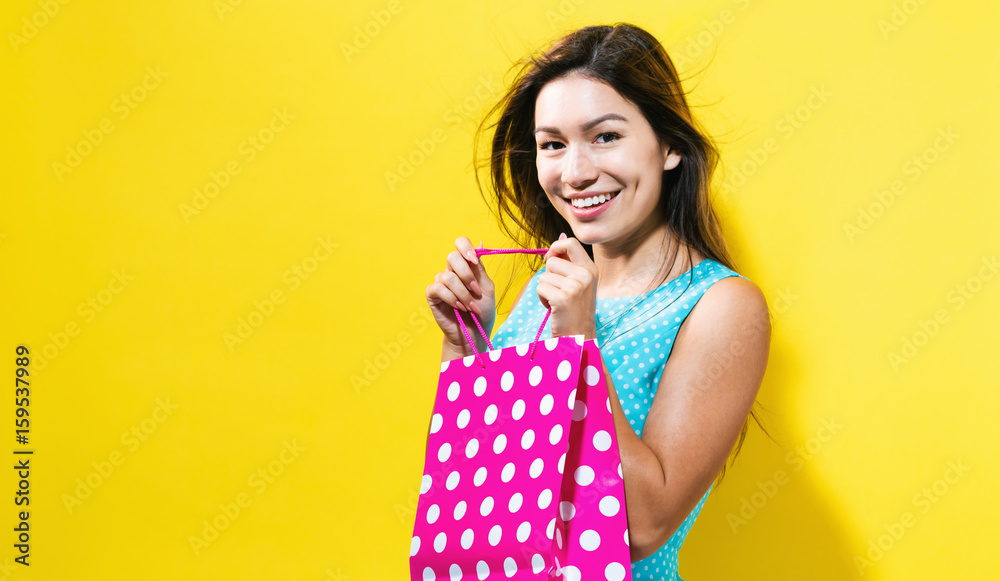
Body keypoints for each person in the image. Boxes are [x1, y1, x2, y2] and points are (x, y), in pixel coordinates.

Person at [424, 22, 771, 581]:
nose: (576, 172)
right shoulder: (550, 289)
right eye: (553, 145)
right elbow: (480, 495)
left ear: (670, 146)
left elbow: (643, 526)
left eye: (605, 136)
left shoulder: (721, 307)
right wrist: (466, 350)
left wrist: (579, 346)